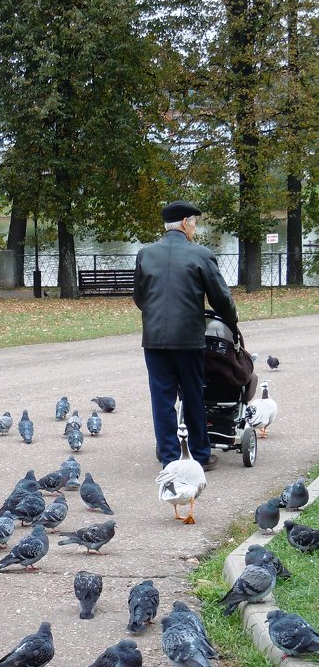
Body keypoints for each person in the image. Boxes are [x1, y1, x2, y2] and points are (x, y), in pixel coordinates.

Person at [133, 200, 238, 471]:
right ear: (184, 223)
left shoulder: (145, 254)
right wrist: (232, 322)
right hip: (189, 339)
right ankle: (200, 455)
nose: (194, 229)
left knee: (162, 398)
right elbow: (220, 298)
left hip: (154, 339)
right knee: (193, 394)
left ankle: (169, 457)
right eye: (194, 223)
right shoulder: (200, 254)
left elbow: (139, 297)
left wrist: (156, 317)